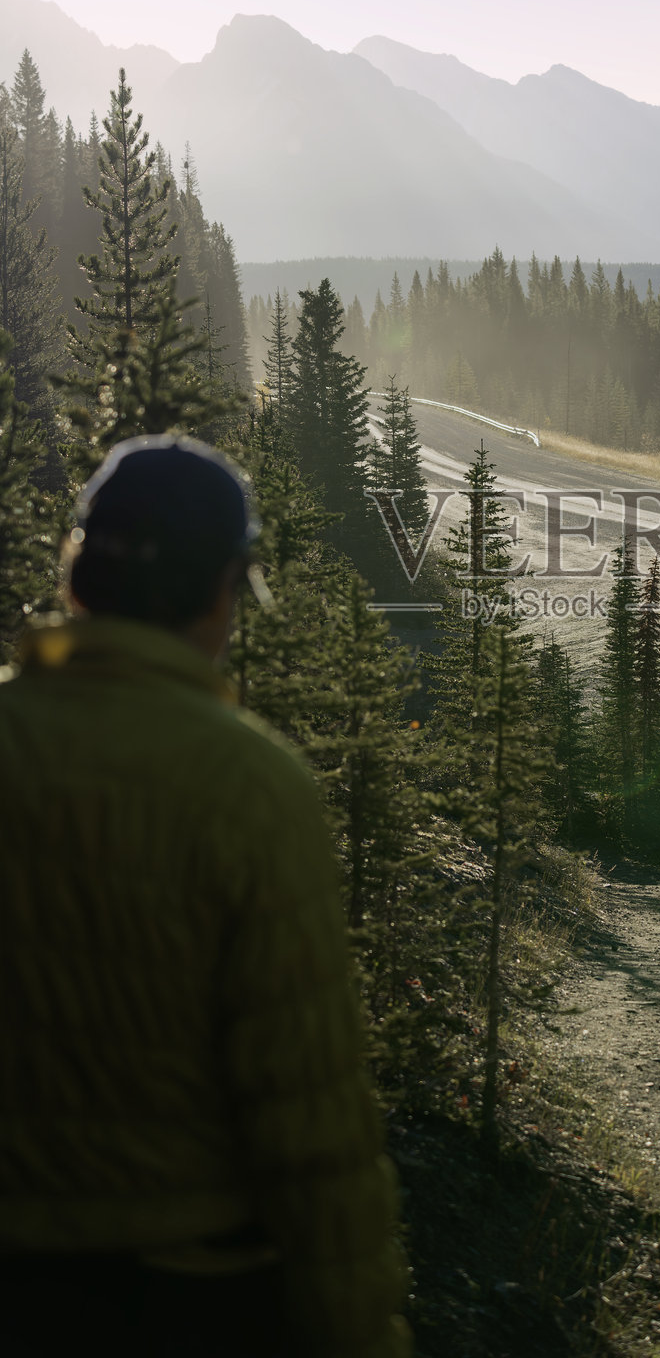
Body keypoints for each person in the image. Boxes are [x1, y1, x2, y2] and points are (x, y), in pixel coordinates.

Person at [0, 434, 411, 1358]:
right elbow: (312, 1127)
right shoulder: (253, 788)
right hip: (189, 1298)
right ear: (222, 594)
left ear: (76, 579)